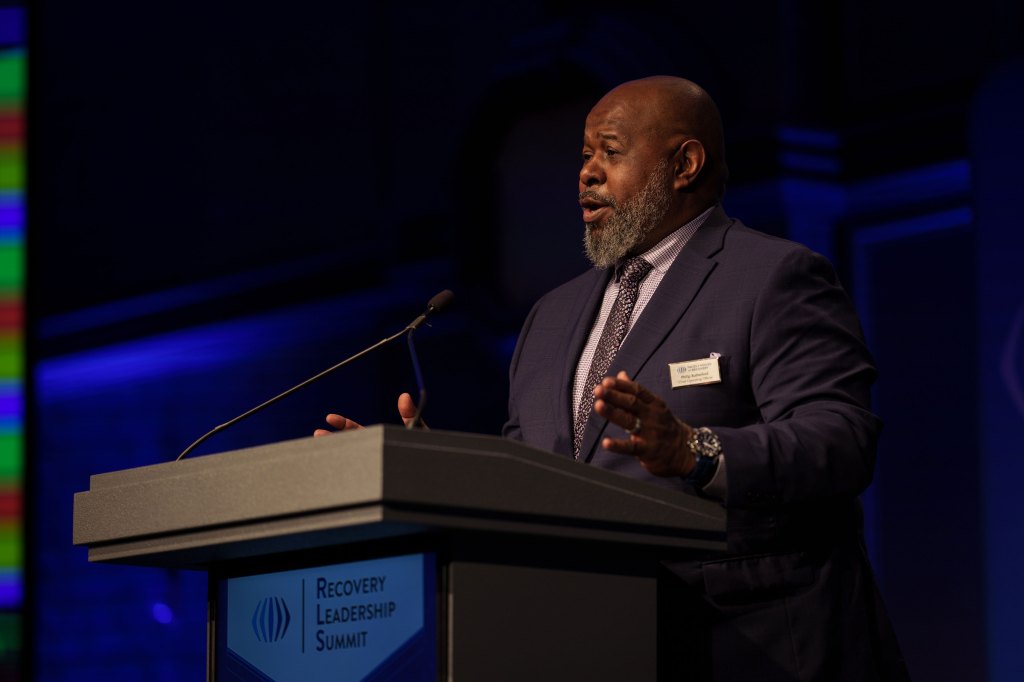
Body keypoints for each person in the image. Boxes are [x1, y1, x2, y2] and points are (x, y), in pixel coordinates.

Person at [317, 75, 909, 680]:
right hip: (590, 643)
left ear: (685, 163)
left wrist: (695, 452)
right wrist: (426, 471)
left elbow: (840, 440)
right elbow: (531, 479)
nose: (587, 173)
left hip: (750, 647)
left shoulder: (773, 277)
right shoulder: (550, 317)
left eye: (611, 151)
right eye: (584, 155)